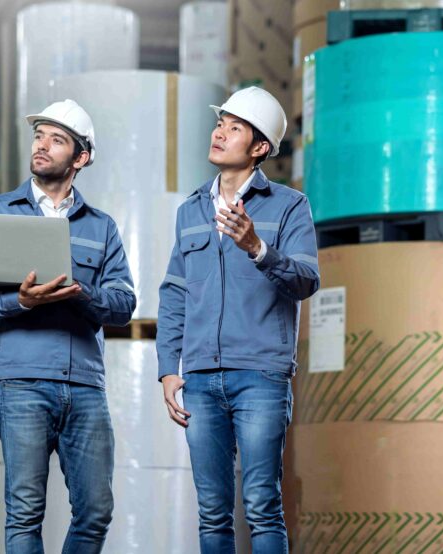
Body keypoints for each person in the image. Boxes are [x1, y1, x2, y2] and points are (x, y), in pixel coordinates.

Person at [0, 99, 136, 553]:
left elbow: (124, 304)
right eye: (39, 136)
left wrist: (84, 294)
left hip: (85, 388)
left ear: (81, 158)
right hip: (21, 384)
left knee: (96, 511)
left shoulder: (102, 227)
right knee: (24, 514)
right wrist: (19, 300)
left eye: (57, 139)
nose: (42, 145)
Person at [156, 86, 320, 553]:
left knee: (262, 505)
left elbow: (306, 279)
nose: (219, 133)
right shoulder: (190, 210)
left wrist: (258, 249)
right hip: (202, 378)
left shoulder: (289, 206)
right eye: (219, 124)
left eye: (234, 127)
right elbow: (174, 294)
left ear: (260, 147)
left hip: (261, 376)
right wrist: (169, 368)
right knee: (212, 513)